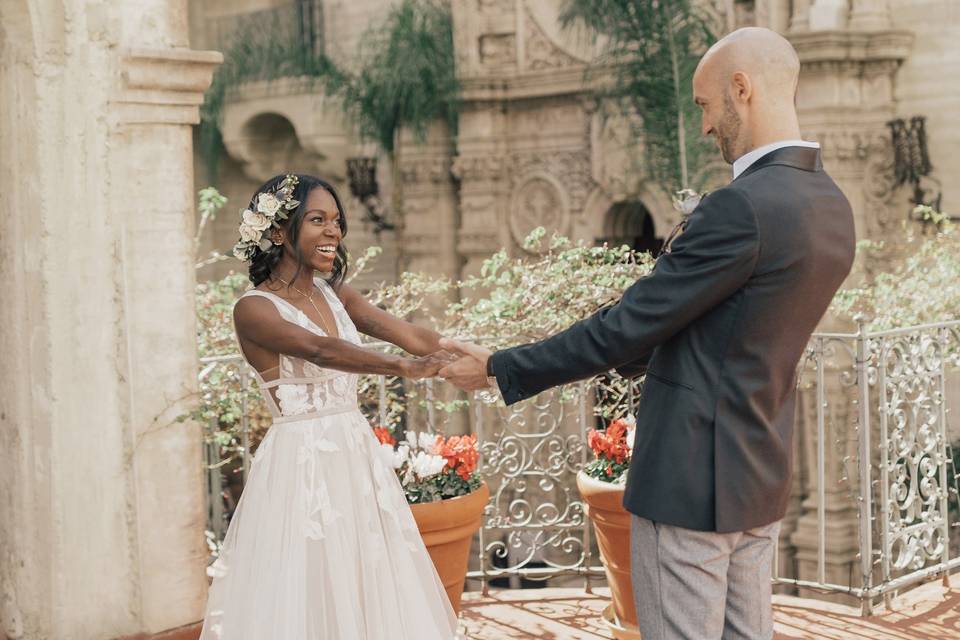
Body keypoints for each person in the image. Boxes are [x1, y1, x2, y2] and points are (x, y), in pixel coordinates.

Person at [439, 27, 856, 640]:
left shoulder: (739, 207)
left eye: (705, 105)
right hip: (759, 471)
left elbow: (625, 326)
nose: (707, 126)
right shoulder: (831, 204)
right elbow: (728, 327)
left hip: (688, 479)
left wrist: (501, 366)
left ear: (741, 89)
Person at [200, 174, 458, 639]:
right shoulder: (253, 309)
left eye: (336, 221)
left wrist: (479, 358)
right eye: (317, 220)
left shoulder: (335, 292)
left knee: (369, 576)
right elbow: (319, 350)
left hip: (354, 458)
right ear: (279, 231)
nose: (334, 232)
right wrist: (403, 368)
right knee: (306, 586)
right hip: (299, 466)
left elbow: (411, 334)